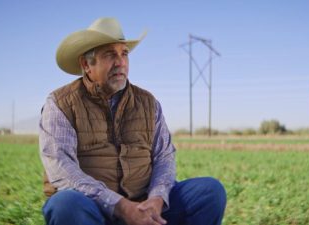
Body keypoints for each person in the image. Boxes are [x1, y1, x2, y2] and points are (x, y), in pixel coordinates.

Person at [39, 17, 227, 225]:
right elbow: (62, 168)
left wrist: (156, 199)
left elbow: (164, 157)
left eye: (124, 54)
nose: (120, 62)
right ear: (86, 64)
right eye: (110, 54)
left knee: (210, 192)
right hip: (95, 210)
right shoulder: (60, 104)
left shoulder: (148, 103)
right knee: (65, 204)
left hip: (145, 205)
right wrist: (119, 205)